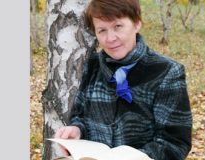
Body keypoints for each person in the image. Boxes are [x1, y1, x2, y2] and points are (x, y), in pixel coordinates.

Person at [54, 0, 192, 159]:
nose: (110, 38)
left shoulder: (166, 71)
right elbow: (79, 115)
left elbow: (175, 143)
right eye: (102, 30)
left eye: (118, 26)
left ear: (136, 23)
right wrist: (77, 130)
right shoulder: (92, 65)